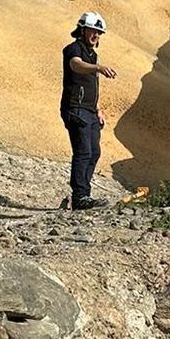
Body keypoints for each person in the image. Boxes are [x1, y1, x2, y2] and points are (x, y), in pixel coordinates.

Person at [60, 11, 115, 210]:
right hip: (75, 108)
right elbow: (76, 65)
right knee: (83, 151)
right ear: (82, 30)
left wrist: (98, 109)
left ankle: (82, 194)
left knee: (94, 152)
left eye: (99, 33)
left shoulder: (93, 54)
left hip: (90, 111)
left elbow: (91, 85)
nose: (96, 36)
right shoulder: (73, 48)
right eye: (93, 31)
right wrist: (97, 67)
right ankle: (80, 196)